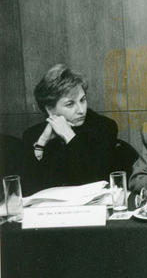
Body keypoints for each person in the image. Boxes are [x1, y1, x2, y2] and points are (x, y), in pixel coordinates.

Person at [21, 64, 118, 195]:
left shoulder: (104, 127)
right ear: (50, 109)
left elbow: (95, 180)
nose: (81, 110)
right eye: (70, 104)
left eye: (82, 100)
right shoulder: (32, 134)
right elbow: (27, 190)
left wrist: (70, 136)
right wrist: (42, 142)